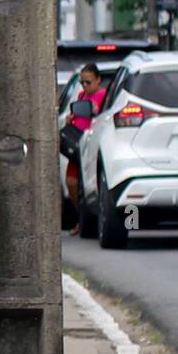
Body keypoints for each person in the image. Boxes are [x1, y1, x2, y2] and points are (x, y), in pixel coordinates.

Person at [62, 63, 107, 236]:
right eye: (82, 83)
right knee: (71, 182)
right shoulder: (81, 96)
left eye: (88, 82)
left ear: (98, 80)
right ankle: (81, 216)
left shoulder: (103, 96)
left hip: (93, 146)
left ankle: (89, 219)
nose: (85, 87)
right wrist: (69, 119)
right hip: (77, 144)